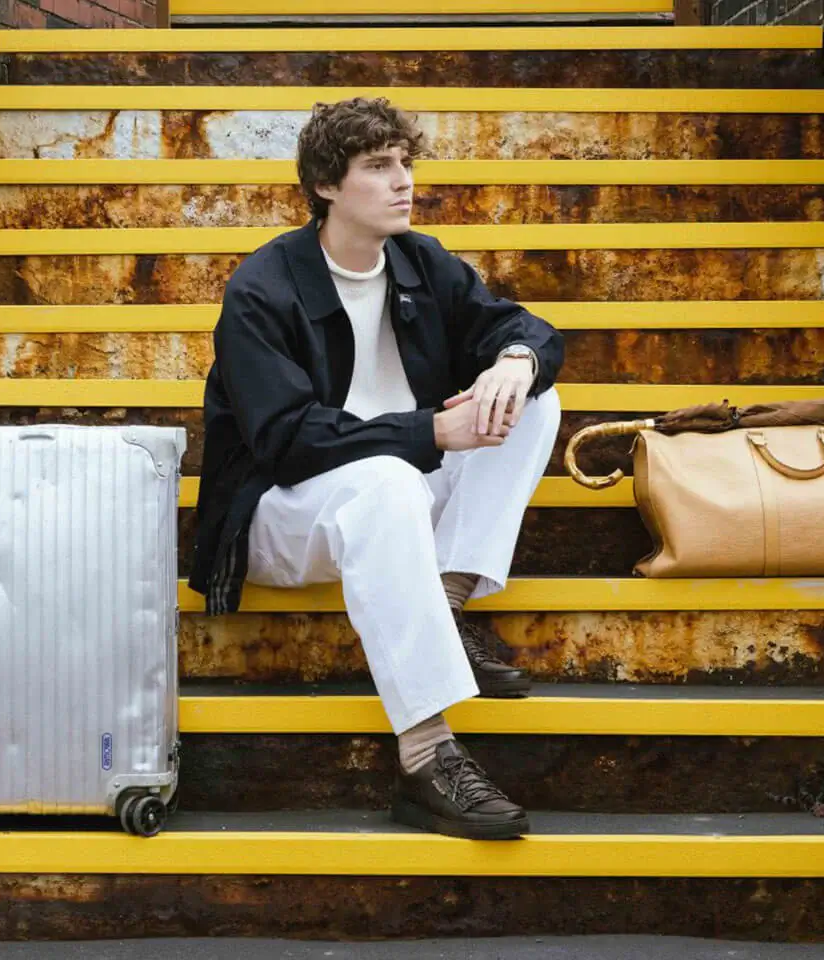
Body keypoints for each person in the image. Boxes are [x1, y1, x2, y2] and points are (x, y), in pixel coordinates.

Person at [189, 97, 563, 840]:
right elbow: (286, 441)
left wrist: (516, 362)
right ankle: (427, 756)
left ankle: (446, 604)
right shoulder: (263, 288)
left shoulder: (420, 261)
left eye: (406, 164)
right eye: (379, 167)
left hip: (390, 504)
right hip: (283, 515)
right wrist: (430, 430)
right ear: (327, 185)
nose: (403, 182)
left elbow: (517, 326)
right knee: (391, 475)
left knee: (530, 401)